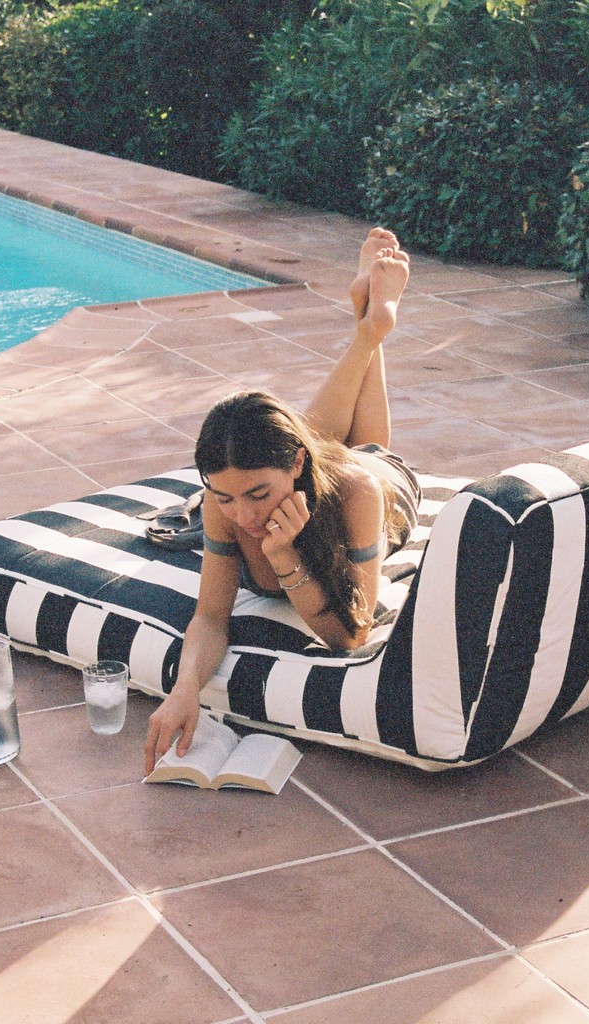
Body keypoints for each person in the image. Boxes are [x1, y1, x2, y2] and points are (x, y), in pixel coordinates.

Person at [144, 228, 415, 772]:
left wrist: (286, 559)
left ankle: (372, 329)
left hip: (384, 485)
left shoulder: (360, 495)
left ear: (293, 469)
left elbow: (351, 633)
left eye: (257, 495)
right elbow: (211, 616)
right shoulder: (225, 503)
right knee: (312, 433)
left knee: (367, 450)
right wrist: (184, 688)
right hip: (307, 459)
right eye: (224, 496)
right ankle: (369, 327)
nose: (243, 515)